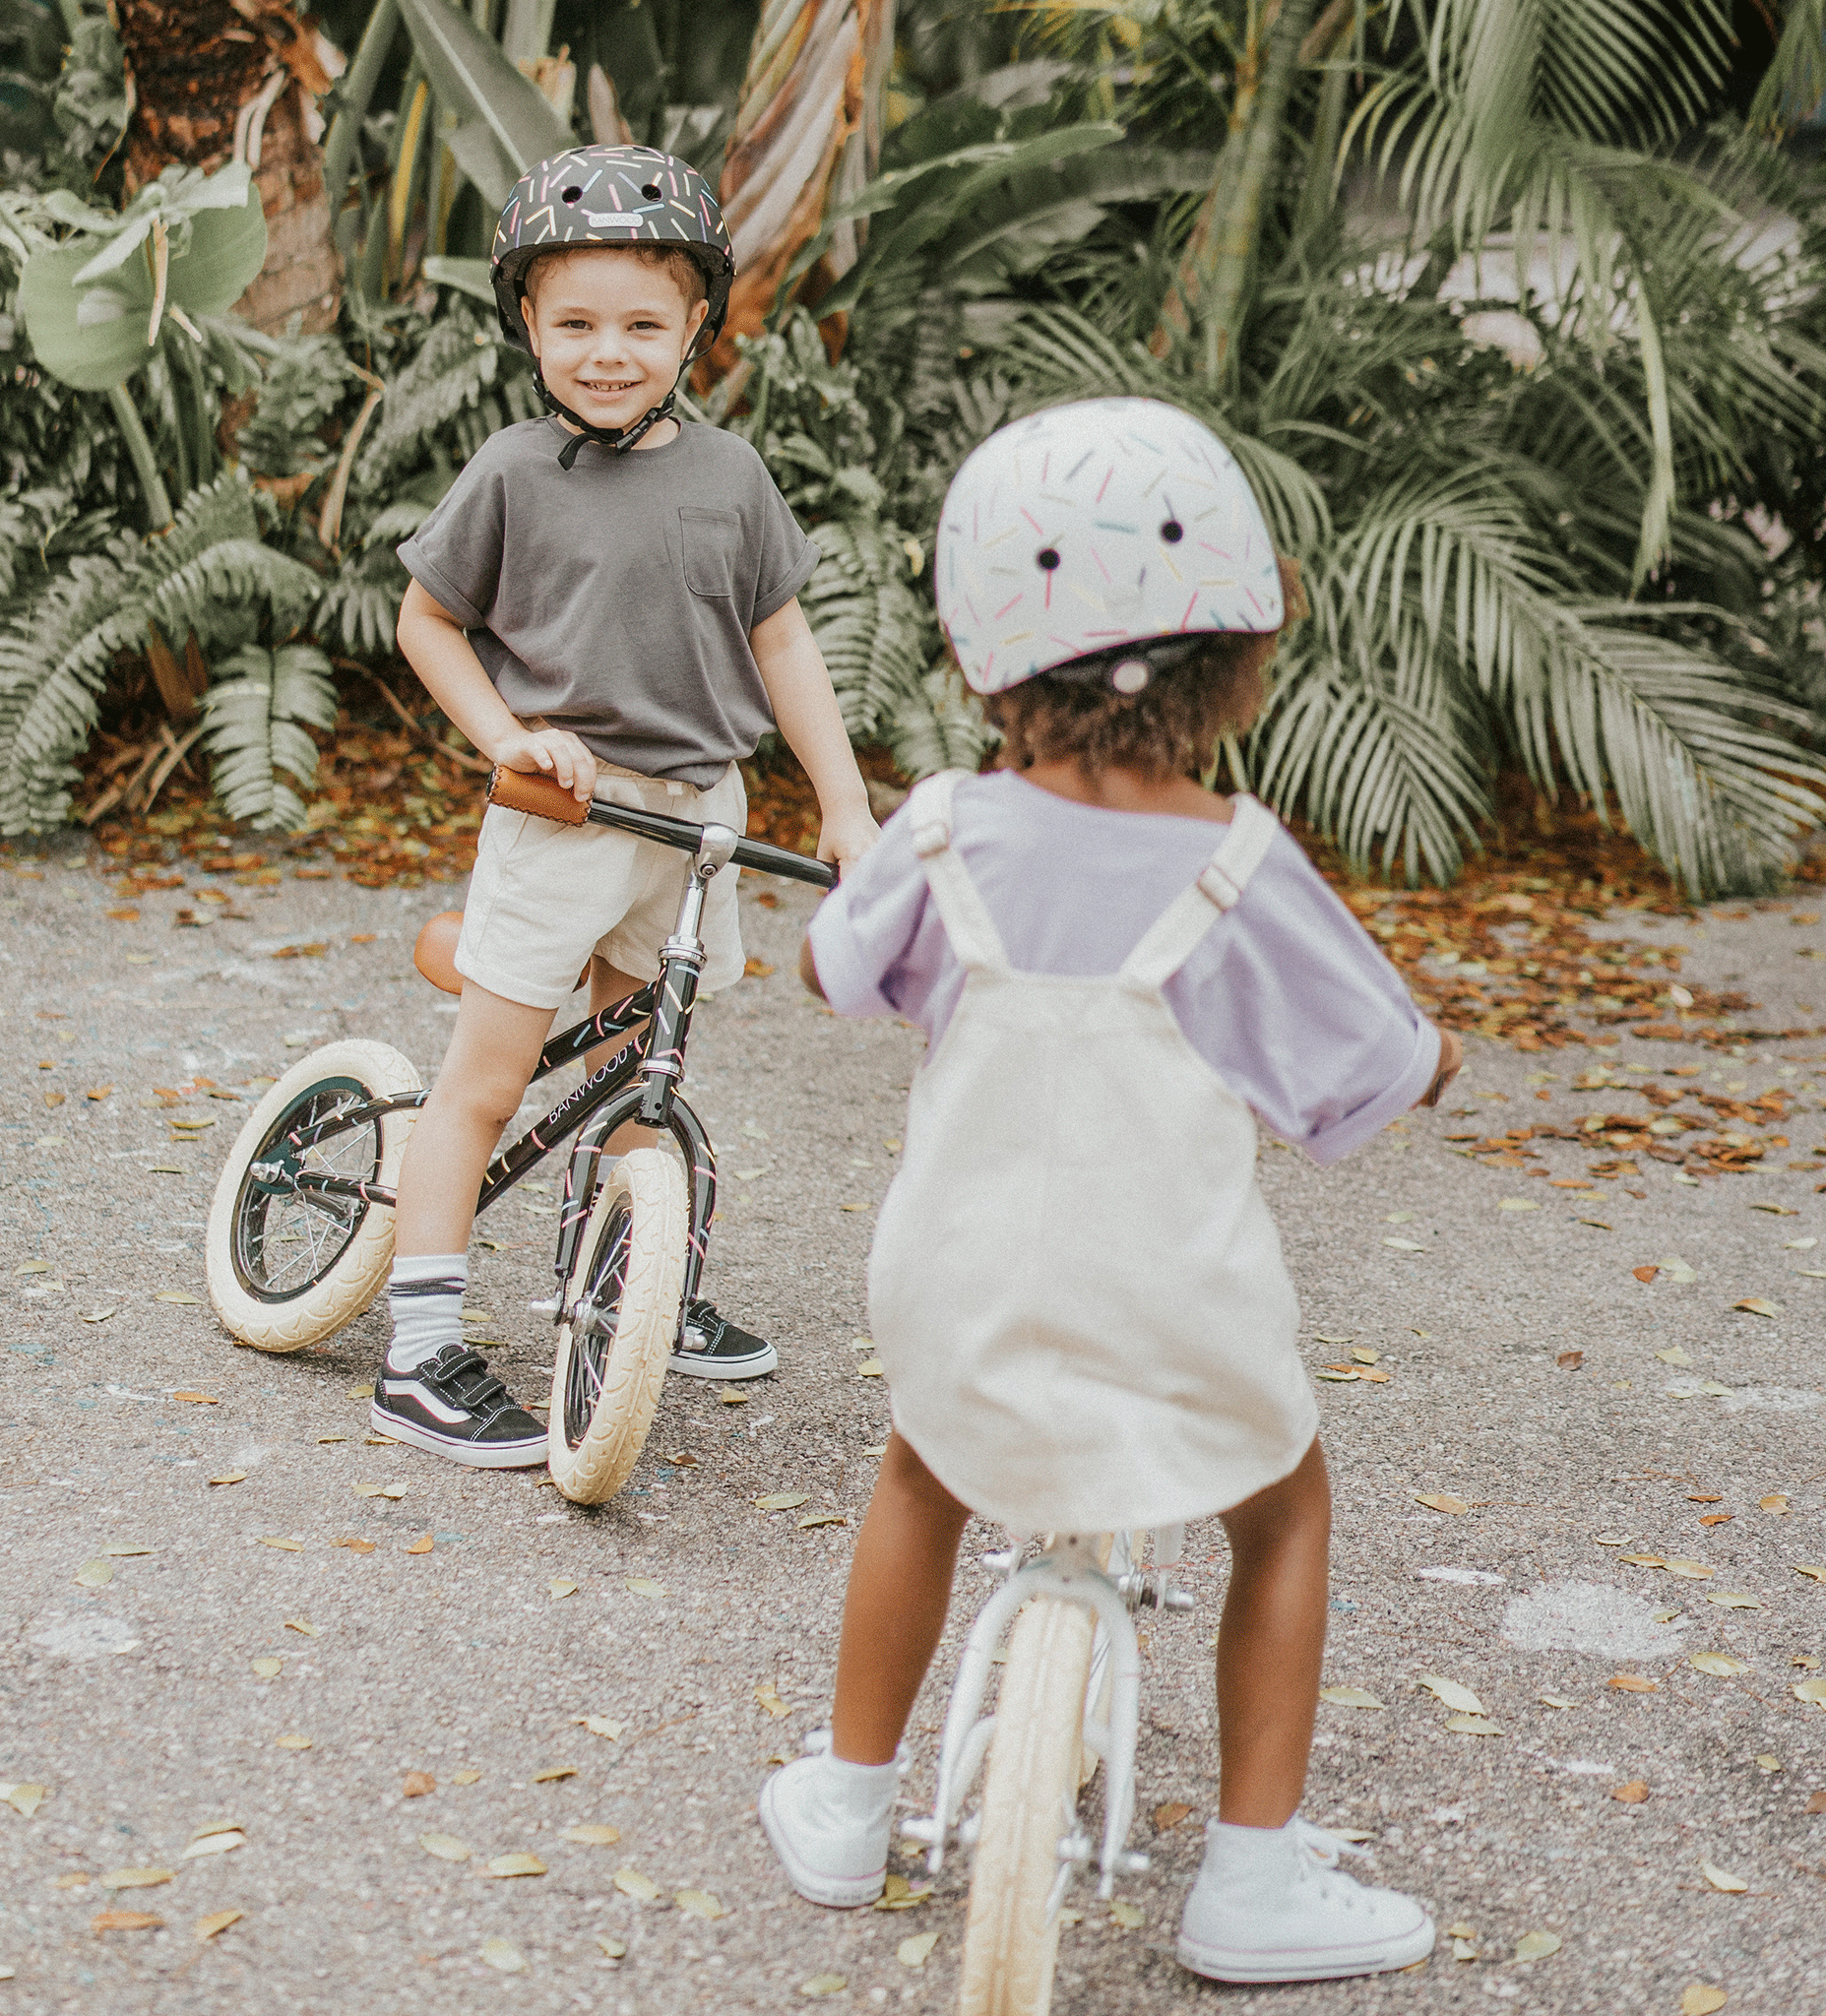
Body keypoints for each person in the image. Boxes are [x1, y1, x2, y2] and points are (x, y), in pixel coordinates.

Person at [760, 397, 1462, 1983]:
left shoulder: (942, 834)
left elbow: (827, 970)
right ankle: (1255, 1880)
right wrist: (1436, 1061)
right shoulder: (1242, 865)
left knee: (924, 1470)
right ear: (1236, 662)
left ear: (980, 656)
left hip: (963, 1291)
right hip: (1178, 1309)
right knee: (1280, 1509)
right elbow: (1370, 1065)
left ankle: (850, 1804)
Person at [377, 144, 880, 1468]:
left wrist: (845, 805)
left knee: (632, 1071)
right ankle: (420, 1348)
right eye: (577, 323)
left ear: (698, 328)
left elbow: (783, 646)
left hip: (695, 814)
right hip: (567, 812)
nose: (610, 352)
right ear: (529, 326)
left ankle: (632, 1279)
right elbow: (426, 621)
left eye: (643, 325)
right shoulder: (511, 475)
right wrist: (507, 732)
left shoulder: (730, 480)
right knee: (485, 1083)